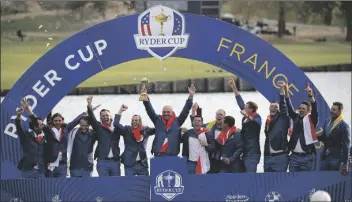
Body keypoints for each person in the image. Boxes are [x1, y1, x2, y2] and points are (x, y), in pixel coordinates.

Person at [22, 98, 86, 178]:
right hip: (50, 163)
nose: (58, 122)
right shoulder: (48, 130)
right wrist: (28, 109)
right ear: (52, 121)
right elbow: (36, 121)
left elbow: (76, 121)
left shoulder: (66, 128)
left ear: (62, 121)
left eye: (59, 120)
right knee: (50, 187)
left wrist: (87, 111)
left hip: (62, 163)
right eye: (55, 120)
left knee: (61, 186)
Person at [142, 84, 195, 156]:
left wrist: (191, 96)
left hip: (173, 156)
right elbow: (149, 110)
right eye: (164, 112)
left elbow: (185, 111)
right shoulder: (157, 120)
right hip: (158, 156)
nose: (166, 114)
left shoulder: (177, 121)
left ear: (172, 112)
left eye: (168, 112)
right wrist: (145, 99)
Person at [229, 79, 261, 172]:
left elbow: (256, 123)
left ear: (251, 110)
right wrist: (234, 88)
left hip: (252, 153)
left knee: (250, 177)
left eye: (246, 108)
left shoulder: (257, 117)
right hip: (245, 152)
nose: (244, 108)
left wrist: (247, 115)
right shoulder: (245, 117)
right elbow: (240, 102)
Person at [113, 104, 155, 176]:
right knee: (129, 184)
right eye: (132, 120)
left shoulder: (146, 130)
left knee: (144, 184)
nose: (134, 122)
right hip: (129, 164)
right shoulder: (127, 129)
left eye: (136, 120)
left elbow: (158, 129)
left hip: (142, 163)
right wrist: (120, 111)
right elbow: (116, 124)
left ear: (140, 122)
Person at [286, 83, 318, 172]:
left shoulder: (312, 119)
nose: (301, 110)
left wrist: (310, 95)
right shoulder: (296, 117)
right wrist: (286, 92)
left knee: (306, 183)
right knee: (292, 181)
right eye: (300, 108)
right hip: (294, 157)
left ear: (309, 110)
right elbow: (289, 107)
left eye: (303, 108)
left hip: (307, 158)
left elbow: (315, 107)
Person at [87, 96, 121, 176]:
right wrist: (89, 104)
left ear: (110, 117)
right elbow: (91, 118)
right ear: (100, 118)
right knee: (104, 184)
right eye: (103, 116)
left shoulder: (116, 127)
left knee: (116, 184)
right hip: (102, 162)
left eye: (107, 115)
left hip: (115, 162)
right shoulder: (98, 127)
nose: (105, 117)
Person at [190, 103, 227, 173]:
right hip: (211, 156)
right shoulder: (210, 125)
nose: (219, 116)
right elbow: (197, 124)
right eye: (217, 114)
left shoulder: (228, 127)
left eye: (221, 115)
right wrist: (193, 111)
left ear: (224, 117)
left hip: (223, 156)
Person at [263, 81, 290, 172]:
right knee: (267, 183)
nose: (273, 108)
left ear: (279, 109)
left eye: (275, 107)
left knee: (280, 183)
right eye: (271, 106)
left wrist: (282, 89)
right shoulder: (268, 120)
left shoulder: (282, 118)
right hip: (268, 156)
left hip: (280, 156)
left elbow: (283, 104)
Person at [318, 102, 350, 176]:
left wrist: (345, 163)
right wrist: (314, 136)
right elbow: (325, 137)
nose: (331, 111)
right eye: (331, 109)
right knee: (321, 178)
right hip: (325, 157)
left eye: (334, 110)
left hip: (336, 158)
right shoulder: (327, 122)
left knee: (331, 180)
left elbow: (346, 146)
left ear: (340, 112)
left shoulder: (344, 126)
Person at [15, 107, 46, 178]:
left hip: (41, 171)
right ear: (35, 127)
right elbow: (19, 127)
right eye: (41, 125)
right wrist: (19, 116)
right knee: (27, 189)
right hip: (28, 170)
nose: (43, 126)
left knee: (42, 189)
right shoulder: (26, 136)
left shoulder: (45, 137)